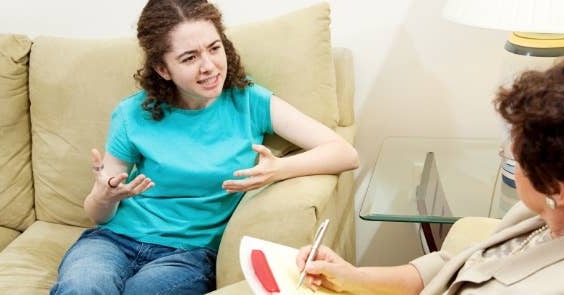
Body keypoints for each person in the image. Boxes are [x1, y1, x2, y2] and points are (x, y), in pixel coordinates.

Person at [50, 0, 359, 294]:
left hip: (189, 254)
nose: (209, 66)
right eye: (189, 58)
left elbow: (344, 153)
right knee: (83, 287)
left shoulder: (249, 101)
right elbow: (99, 215)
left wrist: (278, 169)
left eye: (214, 48)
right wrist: (104, 196)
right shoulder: (132, 114)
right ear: (162, 69)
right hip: (113, 240)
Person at [296, 60, 564, 294]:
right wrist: (353, 278)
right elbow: (458, 264)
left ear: (556, 189)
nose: (508, 154)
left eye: (518, 152)